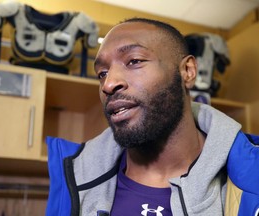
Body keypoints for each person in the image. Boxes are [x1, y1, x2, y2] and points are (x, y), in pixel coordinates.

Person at [46, 18, 259, 216]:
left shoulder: (252, 175)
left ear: (187, 71)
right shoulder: (71, 178)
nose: (109, 84)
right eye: (102, 73)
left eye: (134, 61)